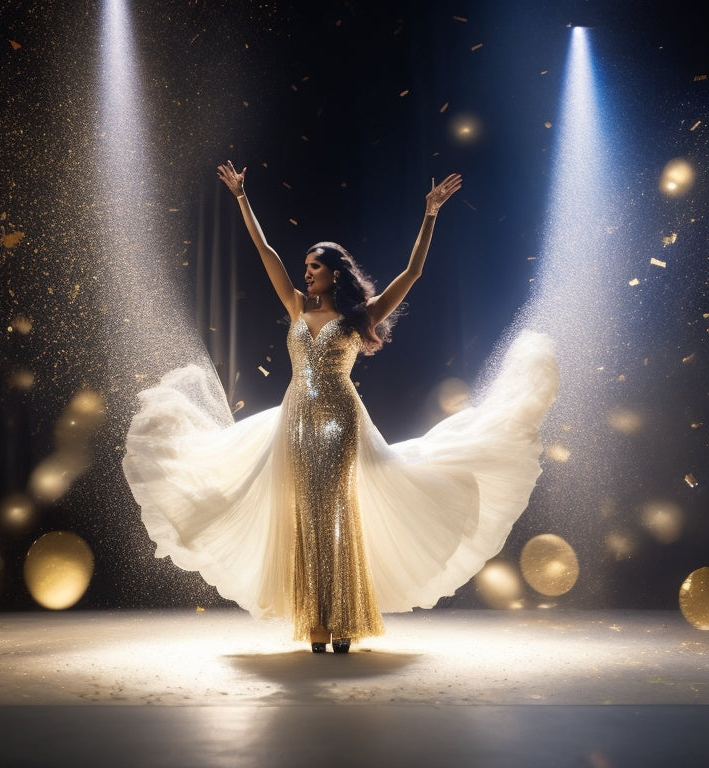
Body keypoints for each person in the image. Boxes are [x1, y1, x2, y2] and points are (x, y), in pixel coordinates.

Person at [122, 161, 558, 654]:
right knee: (304, 515)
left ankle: (346, 617)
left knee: (337, 514)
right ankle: (315, 619)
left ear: (334, 272)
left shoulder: (359, 316)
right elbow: (264, 251)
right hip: (296, 420)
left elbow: (412, 272)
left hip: (340, 419)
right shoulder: (294, 306)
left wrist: (430, 214)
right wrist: (242, 198)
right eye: (304, 266)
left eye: (314, 266)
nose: (305, 273)